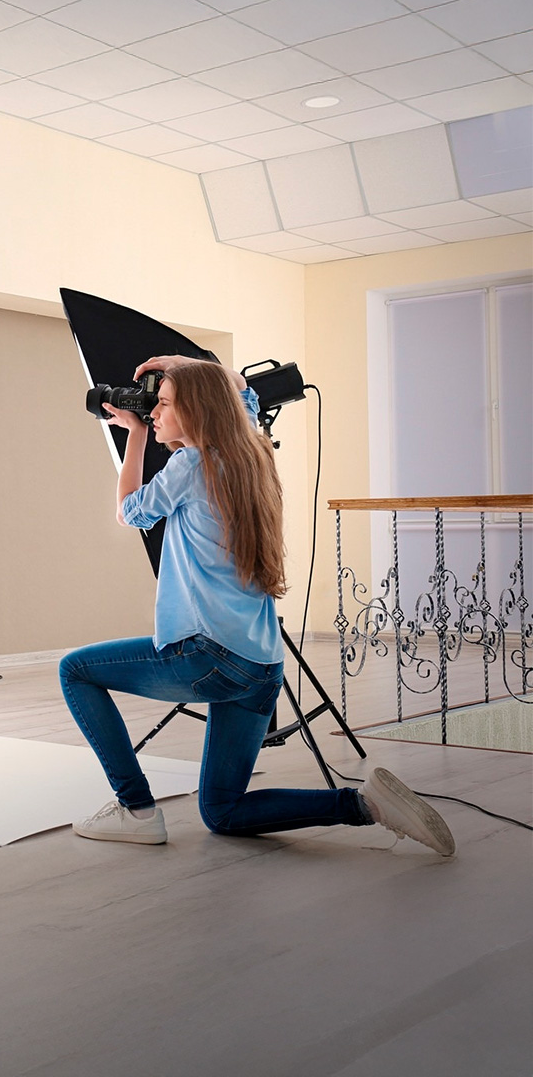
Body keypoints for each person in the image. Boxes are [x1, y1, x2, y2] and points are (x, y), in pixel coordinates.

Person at [60, 355, 454, 855]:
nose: (153, 412)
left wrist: (134, 434)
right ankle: (365, 805)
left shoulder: (192, 464)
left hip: (210, 657)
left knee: (75, 670)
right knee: (222, 812)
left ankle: (135, 810)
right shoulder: (252, 452)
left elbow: (130, 512)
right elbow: (241, 391)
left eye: (164, 404)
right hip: (261, 666)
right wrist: (185, 366)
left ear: (198, 410)